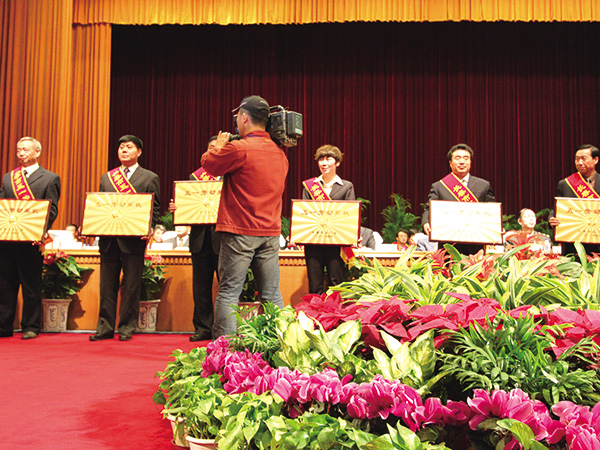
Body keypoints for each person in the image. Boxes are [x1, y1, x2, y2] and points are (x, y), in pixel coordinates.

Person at [201, 95, 288, 339]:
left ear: (244, 117)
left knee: (229, 291)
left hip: (240, 230)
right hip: (269, 232)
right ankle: (280, 344)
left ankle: (225, 349)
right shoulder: (279, 152)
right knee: (271, 293)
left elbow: (209, 165)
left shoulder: (238, 148)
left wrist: (218, 146)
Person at [90, 135, 160, 342]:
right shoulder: (107, 178)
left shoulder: (149, 178)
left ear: (139, 152)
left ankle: (127, 327)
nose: (124, 150)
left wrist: (149, 228)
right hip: (109, 239)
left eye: (129, 147)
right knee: (106, 286)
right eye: (121, 147)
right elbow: (100, 206)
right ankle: (105, 327)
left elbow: (154, 208)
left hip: (133, 241)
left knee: (131, 286)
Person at [0, 137, 61, 339]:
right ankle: (4, 325)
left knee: (31, 285)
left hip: (31, 240)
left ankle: (31, 326)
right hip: (7, 240)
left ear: (37, 152)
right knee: (5, 284)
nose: (21, 153)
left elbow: (51, 210)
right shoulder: (9, 178)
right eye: (18, 150)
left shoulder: (49, 178)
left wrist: (40, 232)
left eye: (25, 150)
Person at [169, 135, 221, 341]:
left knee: (228, 286)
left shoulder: (232, 175)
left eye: (219, 147)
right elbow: (188, 204)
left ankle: (225, 328)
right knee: (201, 286)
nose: (214, 150)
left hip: (224, 239)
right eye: (211, 147)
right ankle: (203, 328)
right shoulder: (195, 177)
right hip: (200, 239)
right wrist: (179, 208)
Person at [422, 143, 495, 255]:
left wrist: (496, 227)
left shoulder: (483, 185)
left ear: (470, 162)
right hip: (448, 246)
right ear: (450, 163)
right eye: (457, 158)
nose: (462, 162)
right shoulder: (439, 186)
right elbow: (429, 209)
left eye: (466, 158)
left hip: (475, 247)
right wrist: (426, 222)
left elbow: (492, 210)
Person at [302, 145, 355, 294]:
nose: (324, 163)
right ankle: (314, 309)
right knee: (314, 285)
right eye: (321, 159)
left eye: (328, 159)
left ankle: (335, 309)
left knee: (336, 283)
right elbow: (305, 214)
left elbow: (350, 215)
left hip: (336, 242)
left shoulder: (346, 187)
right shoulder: (310, 186)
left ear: (337, 162)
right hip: (314, 241)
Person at [549, 144, 600, 255]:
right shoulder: (565, 184)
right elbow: (556, 209)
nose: (579, 163)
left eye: (583, 158)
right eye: (577, 159)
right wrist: (552, 219)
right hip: (572, 246)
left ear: (595, 160)